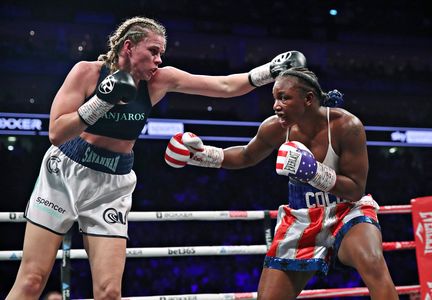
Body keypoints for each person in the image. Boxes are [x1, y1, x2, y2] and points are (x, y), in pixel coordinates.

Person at [6, 16, 306, 300]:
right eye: (153, 51)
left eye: (161, 53)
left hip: (112, 184)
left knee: (110, 292)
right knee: (32, 281)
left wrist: (271, 70)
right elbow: (56, 133)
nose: (159, 59)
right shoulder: (87, 72)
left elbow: (225, 86)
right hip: (64, 174)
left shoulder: (158, 80)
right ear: (128, 46)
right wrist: (102, 100)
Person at [165, 67, 399, 299]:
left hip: (347, 212)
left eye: (284, 98)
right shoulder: (275, 127)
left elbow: (356, 189)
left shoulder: (346, 126)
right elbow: (246, 155)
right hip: (301, 217)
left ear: (308, 99)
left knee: (372, 262)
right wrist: (200, 155)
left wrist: (315, 172)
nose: (276, 105)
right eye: (275, 98)